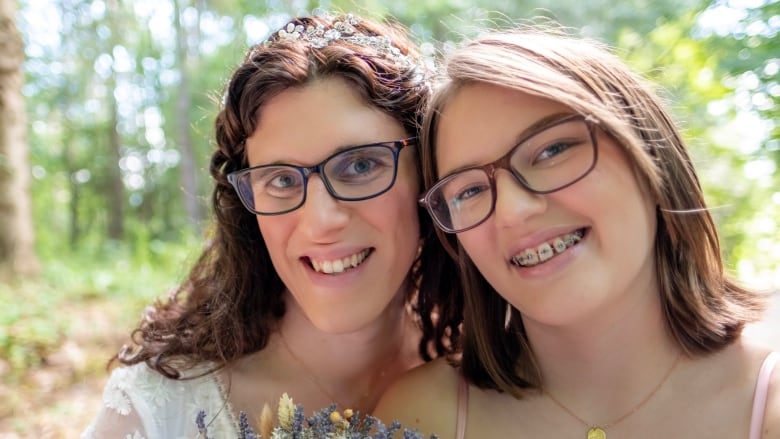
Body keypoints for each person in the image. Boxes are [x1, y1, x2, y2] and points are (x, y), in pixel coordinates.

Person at [374, 26, 779, 438]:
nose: (512, 211)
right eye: (471, 190)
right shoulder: (419, 418)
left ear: (647, 153)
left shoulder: (767, 405)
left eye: (551, 151)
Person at [82, 12, 460, 438]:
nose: (321, 222)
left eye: (359, 164)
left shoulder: (496, 368)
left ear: (427, 173)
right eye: (281, 179)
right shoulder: (163, 409)